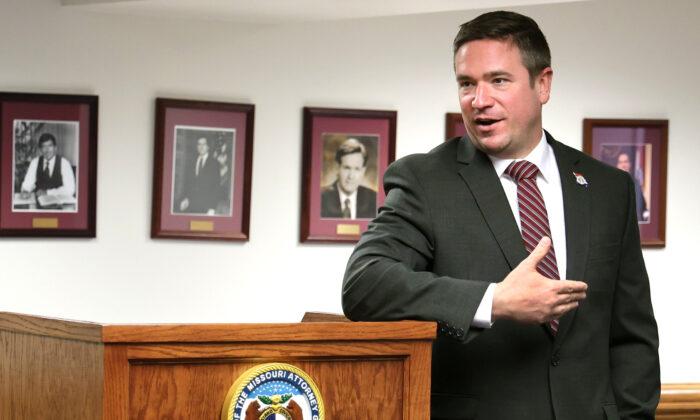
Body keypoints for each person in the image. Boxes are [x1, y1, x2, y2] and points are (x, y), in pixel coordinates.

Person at [342, 11, 659, 420]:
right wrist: (493, 301)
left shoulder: (607, 188)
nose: (479, 100)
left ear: (542, 84)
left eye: (499, 80)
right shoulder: (425, 180)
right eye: (466, 84)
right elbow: (365, 285)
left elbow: (632, 336)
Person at [320, 138, 377, 219]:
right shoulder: (321, 198)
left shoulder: (374, 199)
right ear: (337, 168)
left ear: (363, 171)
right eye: (347, 168)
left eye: (357, 169)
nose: (351, 176)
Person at [20, 132, 76, 203]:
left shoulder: (64, 163)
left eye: (50, 146)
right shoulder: (35, 162)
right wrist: (25, 190)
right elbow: (28, 183)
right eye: (44, 146)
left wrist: (47, 192)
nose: (47, 150)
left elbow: (70, 189)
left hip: (59, 204)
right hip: (40, 203)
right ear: (40, 149)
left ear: (55, 148)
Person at [178, 137, 221, 215]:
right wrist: (185, 198)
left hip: (206, 207)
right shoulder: (191, 162)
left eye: (204, 144)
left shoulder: (214, 163)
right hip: (190, 205)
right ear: (197, 147)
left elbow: (216, 187)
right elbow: (187, 183)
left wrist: (212, 207)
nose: (201, 147)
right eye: (199, 144)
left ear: (208, 147)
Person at [616, 152, 649, 222]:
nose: (623, 165)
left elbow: (643, 206)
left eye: (625, 162)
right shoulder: (612, 184)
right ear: (617, 165)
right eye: (620, 162)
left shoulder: (636, 183)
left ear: (629, 164)